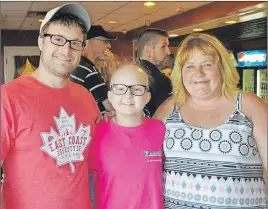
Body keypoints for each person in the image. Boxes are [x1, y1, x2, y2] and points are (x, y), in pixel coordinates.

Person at [1, 4, 100, 209]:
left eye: (75, 42)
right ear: (40, 42)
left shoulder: (86, 97)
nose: (66, 49)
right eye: (57, 39)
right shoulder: (8, 97)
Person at [153, 33, 267, 208]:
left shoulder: (248, 105)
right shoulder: (169, 108)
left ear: (222, 68)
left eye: (207, 64)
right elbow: (142, 156)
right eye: (189, 66)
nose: (198, 73)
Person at [88, 64, 166, 209]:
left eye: (137, 89)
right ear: (110, 95)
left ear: (147, 96)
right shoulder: (95, 134)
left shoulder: (160, 130)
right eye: (120, 89)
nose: (128, 95)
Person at [70, 25, 116, 114]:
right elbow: (111, 109)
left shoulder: (79, 66)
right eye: (104, 41)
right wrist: (111, 68)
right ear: (89, 41)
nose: (109, 45)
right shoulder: (87, 70)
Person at [136, 28, 172, 118]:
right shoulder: (160, 80)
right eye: (163, 46)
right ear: (148, 50)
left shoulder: (128, 73)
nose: (168, 51)